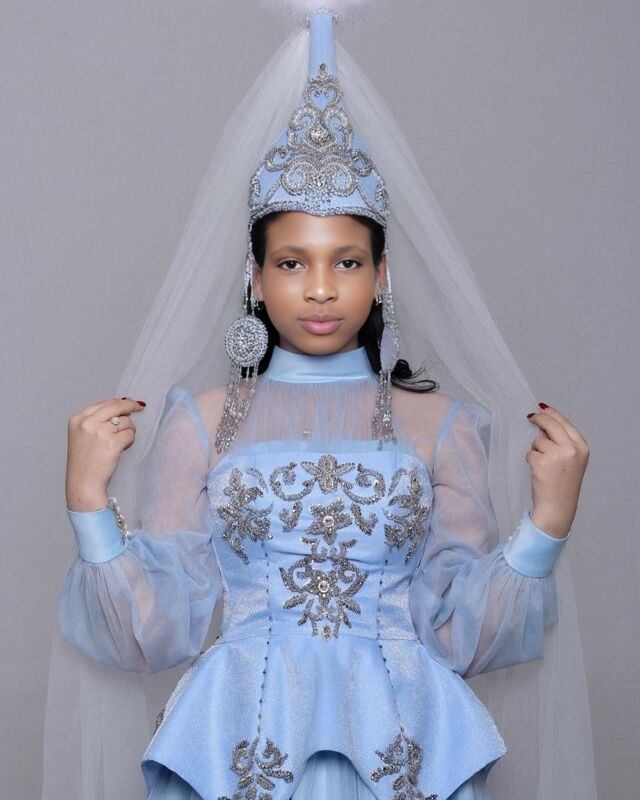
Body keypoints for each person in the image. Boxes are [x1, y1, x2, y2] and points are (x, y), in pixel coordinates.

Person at [43, 6, 597, 800]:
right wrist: (88, 502)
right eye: (291, 262)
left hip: (405, 739)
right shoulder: (200, 422)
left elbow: (460, 633)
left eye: (347, 261)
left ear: (382, 273)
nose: (321, 289)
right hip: (240, 738)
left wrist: (547, 523)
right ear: (254, 274)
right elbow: (151, 629)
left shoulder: (444, 426)